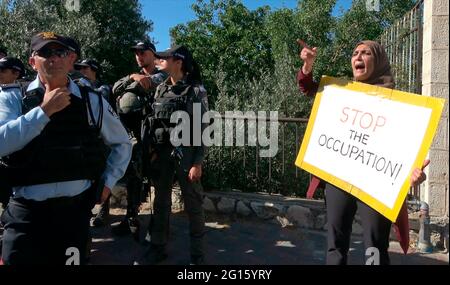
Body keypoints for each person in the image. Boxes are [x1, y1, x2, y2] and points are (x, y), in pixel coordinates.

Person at [0, 32, 132, 265]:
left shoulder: (92, 101)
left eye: (60, 52)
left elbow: (122, 142)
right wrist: (43, 112)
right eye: (45, 53)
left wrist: (109, 181)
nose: (54, 58)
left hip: (73, 216)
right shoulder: (13, 98)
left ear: (71, 59)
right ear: (33, 62)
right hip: (26, 216)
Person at [297, 40, 429, 265]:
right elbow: (308, 87)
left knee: (375, 248)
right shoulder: (341, 93)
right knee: (335, 245)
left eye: (366, 53)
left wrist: (413, 173)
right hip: (339, 177)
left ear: (377, 61)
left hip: (377, 184)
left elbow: (405, 149)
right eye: (355, 53)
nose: (358, 57)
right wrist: (308, 65)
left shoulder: (399, 104)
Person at [134, 45, 208, 265]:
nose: (160, 59)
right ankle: (157, 248)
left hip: (186, 155)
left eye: (166, 57)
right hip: (162, 155)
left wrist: (198, 162)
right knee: (161, 204)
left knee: (193, 206)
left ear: (179, 62)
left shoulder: (196, 90)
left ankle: (198, 257)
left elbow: (203, 128)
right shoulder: (161, 89)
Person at [103, 41, 166, 238]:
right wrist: (132, 76)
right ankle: (131, 218)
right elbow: (115, 88)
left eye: (143, 52)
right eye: (136, 53)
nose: (139, 56)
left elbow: (146, 84)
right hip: (136, 133)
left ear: (153, 54)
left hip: (156, 135)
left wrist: (135, 80)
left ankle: (158, 230)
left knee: (157, 182)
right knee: (134, 176)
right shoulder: (134, 73)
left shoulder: (163, 74)